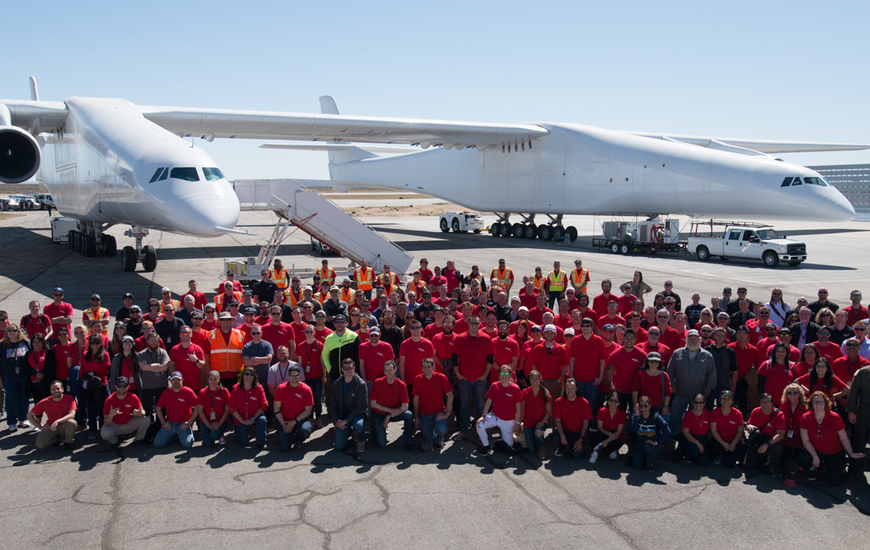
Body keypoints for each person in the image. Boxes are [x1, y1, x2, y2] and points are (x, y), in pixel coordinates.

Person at [799, 391, 865, 485]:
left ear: (825, 403)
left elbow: (844, 437)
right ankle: (814, 467)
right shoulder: (805, 417)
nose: (818, 404)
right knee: (803, 457)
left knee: (836, 482)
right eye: (815, 401)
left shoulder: (834, 417)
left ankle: (829, 466)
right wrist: (815, 456)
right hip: (816, 450)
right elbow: (805, 440)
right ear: (811, 403)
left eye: (821, 401)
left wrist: (850, 453)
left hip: (834, 452)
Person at [453, 316, 495, 438]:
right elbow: (454, 358)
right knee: (464, 406)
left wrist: (485, 375)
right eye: (472, 323)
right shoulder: (460, 338)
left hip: (480, 380)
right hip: (464, 379)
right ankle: (463, 431)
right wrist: (458, 374)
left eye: (476, 323)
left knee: (481, 406)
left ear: (479, 324)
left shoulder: (486, 339)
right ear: (468, 324)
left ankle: (480, 430)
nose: (474, 325)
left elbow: (490, 359)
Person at [475, 365, 523, 456]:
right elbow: (488, 402)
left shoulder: (515, 389)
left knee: (508, 447)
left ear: (510, 375)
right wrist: (483, 416)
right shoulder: (494, 386)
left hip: (508, 420)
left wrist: (517, 423)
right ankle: (486, 446)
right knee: (479, 425)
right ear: (499, 375)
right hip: (495, 416)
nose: (504, 375)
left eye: (506, 373)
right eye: (502, 373)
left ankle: (501, 443)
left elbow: (519, 407)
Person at [370, 360, 413, 450]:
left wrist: (390, 415)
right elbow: (373, 404)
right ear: (384, 371)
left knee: (408, 415)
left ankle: (408, 441)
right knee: (381, 444)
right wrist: (390, 411)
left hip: (393, 413)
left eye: (391, 370)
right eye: (386, 370)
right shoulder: (378, 382)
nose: (389, 372)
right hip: (379, 414)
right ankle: (375, 431)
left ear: (395, 370)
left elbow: (405, 406)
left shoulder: (401, 385)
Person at [413, 358, 453, 452]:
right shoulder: (418, 379)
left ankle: (440, 440)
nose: (426, 369)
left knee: (442, 429)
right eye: (424, 366)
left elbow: (450, 396)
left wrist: (446, 413)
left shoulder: (441, 377)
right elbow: (416, 399)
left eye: (429, 366)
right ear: (421, 367)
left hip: (438, 412)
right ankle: (431, 436)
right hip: (424, 414)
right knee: (429, 443)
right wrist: (416, 417)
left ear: (433, 366)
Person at [743, 393, 786, 477]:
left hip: (771, 441)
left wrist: (766, 445)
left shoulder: (779, 415)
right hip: (758, 440)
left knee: (777, 446)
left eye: (767, 402)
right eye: (762, 402)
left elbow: (781, 435)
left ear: (772, 403)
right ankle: (762, 462)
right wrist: (749, 426)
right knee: (748, 467)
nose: (765, 404)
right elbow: (748, 424)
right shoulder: (756, 411)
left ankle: (774, 467)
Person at [330, 358, 368, 453]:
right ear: (342, 369)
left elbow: (361, 407)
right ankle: (349, 432)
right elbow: (333, 406)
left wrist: (346, 420)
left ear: (354, 368)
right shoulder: (337, 384)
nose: (348, 371)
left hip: (356, 416)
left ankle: (360, 439)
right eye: (345, 368)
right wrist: (336, 421)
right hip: (342, 417)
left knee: (358, 425)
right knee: (339, 447)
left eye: (350, 368)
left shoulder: (361, 384)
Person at [100, 376, 150, 446]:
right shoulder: (109, 400)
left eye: (124, 386)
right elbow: (106, 422)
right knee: (104, 433)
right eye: (119, 386)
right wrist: (111, 415)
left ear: (128, 387)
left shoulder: (132, 396)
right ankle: (115, 442)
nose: (121, 388)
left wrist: (139, 413)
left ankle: (138, 439)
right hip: (115, 425)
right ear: (115, 387)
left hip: (128, 423)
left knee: (146, 420)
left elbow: (143, 412)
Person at [274, 363, 314, 451]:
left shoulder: (306, 389)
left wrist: (294, 422)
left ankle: (299, 440)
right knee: (284, 448)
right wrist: (284, 424)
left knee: (306, 430)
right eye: (292, 374)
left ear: (300, 376)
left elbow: (308, 411)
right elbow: (276, 409)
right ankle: (290, 435)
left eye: (296, 374)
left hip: (300, 420)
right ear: (288, 376)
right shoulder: (281, 388)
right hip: (285, 420)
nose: (294, 376)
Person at [154, 371, 198, 448]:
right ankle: (176, 436)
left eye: (178, 379)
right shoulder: (166, 393)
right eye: (174, 380)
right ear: (170, 381)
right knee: (157, 444)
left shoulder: (188, 391)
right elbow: (158, 408)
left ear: (182, 380)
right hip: (170, 424)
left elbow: (197, 407)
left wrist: (189, 422)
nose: (176, 382)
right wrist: (163, 423)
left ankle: (182, 434)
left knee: (188, 444)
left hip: (183, 424)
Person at [27, 380, 77, 449]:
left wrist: (57, 421)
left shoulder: (70, 398)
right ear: (50, 391)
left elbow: (72, 415)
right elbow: (29, 415)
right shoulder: (45, 401)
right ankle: (55, 439)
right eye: (53, 389)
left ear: (62, 389)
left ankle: (68, 442)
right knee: (40, 444)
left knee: (72, 423)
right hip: (51, 426)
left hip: (64, 424)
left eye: (58, 389)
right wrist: (40, 427)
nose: (56, 391)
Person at [628, 395, 671, 471]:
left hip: (653, 444)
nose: (643, 408)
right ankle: (642, 457)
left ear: (650, 406)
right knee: (637, 465)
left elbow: (667, 431)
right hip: (640, 443)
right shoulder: (636, 416)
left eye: (645, 405)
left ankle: (650, 463)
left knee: (648, 446)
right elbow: (634, 430)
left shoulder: (656, 417)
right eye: (641, 406)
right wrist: (637, 416)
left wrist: (656, 442)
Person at [229, 367, 269, 449]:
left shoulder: (259, 387)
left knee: (262, 420)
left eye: (251, 374)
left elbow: (264, 405)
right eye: (246, 374)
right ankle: (238, 431)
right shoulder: (235, 388)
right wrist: (242, 420)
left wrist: (253, 418)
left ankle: (261, 442)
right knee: (243, 443)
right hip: (241, 417)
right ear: (243, 376)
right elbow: (232, 407)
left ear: (254, 377)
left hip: (255, 415)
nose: (249, 376)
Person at [552, 378, 593, 459]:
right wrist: (562, 435)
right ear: (564, 389)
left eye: (572, 388)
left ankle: (572, 444)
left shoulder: (584, 403)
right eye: (567, 388)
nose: (570, 391)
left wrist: (581, 438)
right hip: (564, 430)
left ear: (577, 388)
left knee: (577, 456)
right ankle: (561, 446)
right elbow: (557, 421)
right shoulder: (558, 401)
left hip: (577, 433)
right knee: (556, 438)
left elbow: (585, 423)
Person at [2, 324, 31, 431]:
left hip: (24, 376)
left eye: (14, 330)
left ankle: (23, 418)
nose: (12, 332)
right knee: (11, 399)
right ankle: (11, 421)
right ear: (6, 333)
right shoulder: (2, 345)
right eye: (9, 331)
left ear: (18, 331)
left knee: (24, 397)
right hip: (9, 377)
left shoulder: (25, 343)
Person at [80, 334, 110, 438]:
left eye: (97, 343)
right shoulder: (85, 355)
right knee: (91, 409)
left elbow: (105, 371)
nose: (94, 345)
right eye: (92, 343)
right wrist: (83, 383)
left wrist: (96, 381)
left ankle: (103, 429)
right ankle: (92, 430)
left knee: (102, 409)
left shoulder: (105, 355)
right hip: (89, 387)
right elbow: (82, 370)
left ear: (101, 343)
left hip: (101, 386)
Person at [137, 332, 170, 419]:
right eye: (151, 341)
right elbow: (143, 367)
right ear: (147, 341)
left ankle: (160, 427)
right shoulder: (141, 354)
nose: (153, 343)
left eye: (156, 341)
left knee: (162, 410)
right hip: (147, 387)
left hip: (161, 386)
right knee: (147, 411)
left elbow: (165, 367)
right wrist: (158, 366)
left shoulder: (163, 352)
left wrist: (149, 366)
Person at [209, 312, 246, 390]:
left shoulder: (240, 334)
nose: (225, 321)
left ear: (231, 321)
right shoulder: (211, 335)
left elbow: (245, 355)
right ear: (219, 322)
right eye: (223, 320)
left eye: (228, 319)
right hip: (217, 376)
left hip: (236, 374)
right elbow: (206, 355)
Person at [521, 370, 552, 459]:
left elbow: (548, 412)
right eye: (532, 378)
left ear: (540, 379)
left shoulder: (545, 393)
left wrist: (542, 422)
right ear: (529, 379)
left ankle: (542, 448)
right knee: (531, 450)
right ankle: (536, 439)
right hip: (528, 423)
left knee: (538, 432)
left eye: (537, 378)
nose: (534, 380)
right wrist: (518, 423)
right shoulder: (525, 392)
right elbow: (521, 409)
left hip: (540, 422)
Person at [709, 391, 745, 467]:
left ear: (732, 401)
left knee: (729, 464)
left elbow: (740, 431)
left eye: (729, 399)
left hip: (733, 440)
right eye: (724, 399)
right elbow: (714, 431)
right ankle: (718, 455)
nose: (726, 401)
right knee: (716, 448)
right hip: (720, 440)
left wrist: (733, 444)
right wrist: (723, 443)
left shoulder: (738, 413)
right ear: (720, 400)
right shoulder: (714, 413)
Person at [590, 390, 627, 463]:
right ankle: (595, 452)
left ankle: (613, 450)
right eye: (611, 400)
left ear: (619, 403)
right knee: (593, 433)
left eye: (616, 401)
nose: (613, 402)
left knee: (607, 450)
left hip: (615, 435)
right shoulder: (602, 411)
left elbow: (619, 431)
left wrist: (607, 440)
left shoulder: (622, 413)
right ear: (607, 401)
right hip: (605, 432)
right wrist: (609, 435)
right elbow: (600, 427)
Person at [847, 362, 870, 480]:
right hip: (864, 409)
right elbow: (853, 392)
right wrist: (851, 411)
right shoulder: (863, 372)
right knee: (859, 440)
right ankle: (854, 471)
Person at [196, 371, 231, 447]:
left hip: (220, 420)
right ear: (207, 380)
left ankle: (220, 434)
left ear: (219, 379)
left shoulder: (224, 391)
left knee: (213, 435)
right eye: (211, 379)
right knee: (208, 444)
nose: (213, 381)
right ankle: (211, 432)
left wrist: (219, 423)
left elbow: (227, 409)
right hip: (205, 421)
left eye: (215, 379)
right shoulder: (202, 392)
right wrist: (208, 424)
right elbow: (200, 411)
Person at [631, 352, 671, 416]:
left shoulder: (664, 375)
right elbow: (635, 390)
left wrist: (665, 406)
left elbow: (667, 393)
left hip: (658, 406)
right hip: (643, 406)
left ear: (659, 363)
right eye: (651, 361)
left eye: (656, 362)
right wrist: (635, 405)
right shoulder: (640, 374)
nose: (654, 363)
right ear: (647, 362)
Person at [758, 343, 797, 407]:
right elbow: (760, 384)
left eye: (783, 351)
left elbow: (795, 383)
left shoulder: (792, 366)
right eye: (778, 351)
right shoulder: (766, 365)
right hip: (770, 401)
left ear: (787, 353)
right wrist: (763, 399)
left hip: (787, 400)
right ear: (774, 352)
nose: (780, 353)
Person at [168, 327, 206, 391]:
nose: (185, 334)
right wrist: (175, 379)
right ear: (180, 335)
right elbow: (171, 365)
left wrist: (196, 360)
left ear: (191, 334)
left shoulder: (197, 348)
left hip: (195, 386)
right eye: (183, 333)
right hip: (180, 386)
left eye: (187, 333)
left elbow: (202, 366)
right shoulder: (174, 349)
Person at [679, 394, 711, 465]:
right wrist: (698, 444)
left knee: (704, 462)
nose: (698, 404)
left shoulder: (708, 413)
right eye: (696, 402)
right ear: (693, 403)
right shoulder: (688, 414)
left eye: (701, 402)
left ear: (704, 403)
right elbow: (685, 432)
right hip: (690, 438)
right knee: (695, 451)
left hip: (703, 439)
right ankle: (687, 454)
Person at [26, 333, 55, 404]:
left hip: (46, 383)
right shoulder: (28, 353)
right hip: (33, 383)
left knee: (49, 405)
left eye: (39, 342)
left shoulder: (49, 353)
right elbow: (25, 367)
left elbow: (50, 367)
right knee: (38, 407)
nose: (37, 344)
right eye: (34, 341)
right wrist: (35, 374)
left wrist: (40, 376)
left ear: (43, 343)